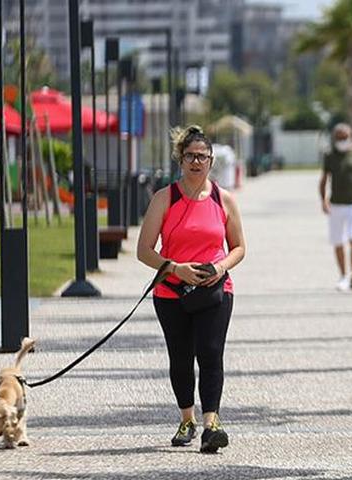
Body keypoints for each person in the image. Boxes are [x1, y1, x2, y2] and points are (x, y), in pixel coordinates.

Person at [137, 125, 246, 453]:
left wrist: (220, 267)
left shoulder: (223, 199)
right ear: (180, 160)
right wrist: (175, 268)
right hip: (171, 292)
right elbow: (144, 250)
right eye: (190, 156)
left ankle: (212, 424)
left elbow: (239, 247)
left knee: (211, 354)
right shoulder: (164, 198)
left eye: (202, 156)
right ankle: (187, 419)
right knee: (181, 358)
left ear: (211, 161)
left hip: (215, 290)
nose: (196, 162)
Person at [319, 123, 352, 291]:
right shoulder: (330, 156)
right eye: (339, 138)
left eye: (345, 137)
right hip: (336, 204)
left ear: (351, 137)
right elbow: (324, 180)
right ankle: (343, 275)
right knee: (338, 241)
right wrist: (323, 200)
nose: (342, 141)